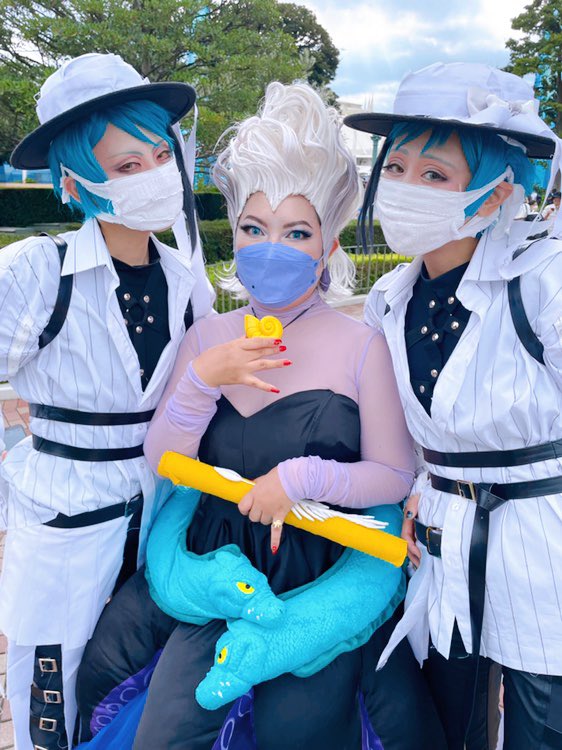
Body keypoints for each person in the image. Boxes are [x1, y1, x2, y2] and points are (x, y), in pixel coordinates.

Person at [76, 81, 447, 750]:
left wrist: (303, 479)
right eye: (253, 229)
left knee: (303, 729)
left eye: (296, 232)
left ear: (328, 244)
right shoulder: (206, 336)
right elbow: (165, 462)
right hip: (214, 571)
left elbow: (393, 475)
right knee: (170, 730)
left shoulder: (362, 346)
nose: (270, 246)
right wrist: (201, 381)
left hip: (320, 570)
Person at [345, 61, 562, 749]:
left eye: (435, 174)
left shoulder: (544, 279)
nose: (405, 186)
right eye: (397, 167)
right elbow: (407, 432)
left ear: (495, 192)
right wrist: (416, 487)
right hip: (438, 541)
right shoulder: (388, 301)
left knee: (541, 726)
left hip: (544, 540)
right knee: (447, 727)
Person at [0, 52, 213, 750]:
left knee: (131, 694)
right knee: (51, 701)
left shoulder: (184, 278)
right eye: (127, 165)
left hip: (156, 517)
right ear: (73, 181)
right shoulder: (39, 270)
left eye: (160, 156)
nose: (154, 175)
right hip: (63, 520)